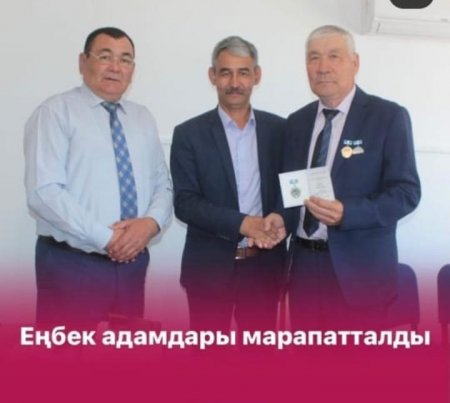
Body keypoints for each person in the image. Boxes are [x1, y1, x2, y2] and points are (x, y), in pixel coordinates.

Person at [268, 25, 421, 330]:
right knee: (308, 360)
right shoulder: (296, 122)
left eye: (334, 56)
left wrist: (347, 212)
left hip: (361, 276)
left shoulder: (387, 117)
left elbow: (406, 193)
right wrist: (279, 217)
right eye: (314, 58)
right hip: (303, 271)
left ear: (355, 62)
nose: (322, 67)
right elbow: (293, 190)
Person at [24, 27, 172, 327]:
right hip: (72, 265)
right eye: (105, 57)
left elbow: (163, 184)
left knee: (124, 352)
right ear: (83, 62)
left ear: (132, 69)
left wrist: (150, 224)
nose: (115, 67)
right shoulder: (55, 112)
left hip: (132, 267)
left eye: (125, 59)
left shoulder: (142, 117)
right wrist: (109, 238)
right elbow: (44, 192)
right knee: (66, 354)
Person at [170, 36, 286, 332]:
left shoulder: (281, 130)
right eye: (225, 73)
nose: (234, 83)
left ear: (256, 75)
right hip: (208, 270)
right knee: (208, 358)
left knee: (259, 357)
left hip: (264, 270)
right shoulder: (188, 134)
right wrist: (243, 224)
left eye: (243, 72)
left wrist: (281, 218)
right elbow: (185, 203)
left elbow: (291, 192)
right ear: (213, 76)